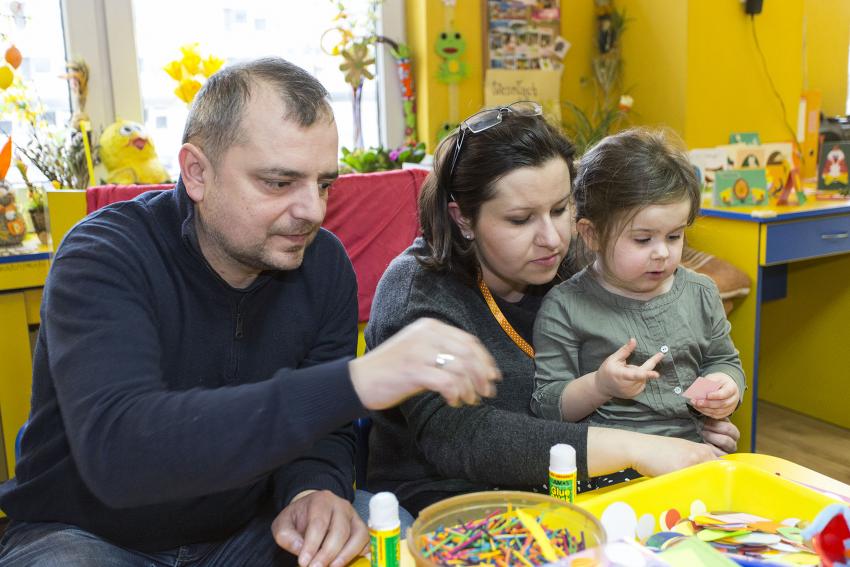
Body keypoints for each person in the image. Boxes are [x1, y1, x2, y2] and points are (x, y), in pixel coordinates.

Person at [0, 58, 501, 567]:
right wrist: (357, 382)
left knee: (389, 533)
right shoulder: (103, 256)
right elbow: (122, 452)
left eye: (324, 184)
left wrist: (313, 490)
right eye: (279, 183)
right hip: (84, 535)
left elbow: (321, 432)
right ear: (197, 172)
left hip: (246, 530)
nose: (313, 211)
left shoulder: (324, 265)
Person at [365, 102, 740, 516]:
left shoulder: (575, 263)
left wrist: (688, 424)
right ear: (464, 219)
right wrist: (638, 448)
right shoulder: (416, 293)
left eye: (560, 209)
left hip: (572, 491)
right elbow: (462, 437)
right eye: (520, 219)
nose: (552, 238)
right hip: (444, 506)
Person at [531, 128, 746, 443]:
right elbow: (547, 406)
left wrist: (723, 387)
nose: (662, 253)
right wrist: (600, 385)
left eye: (674, 236)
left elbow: (723, 360)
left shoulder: (701, 292)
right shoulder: (565, 307)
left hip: (693, 447)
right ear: (592, 235)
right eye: (643, 239)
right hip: (612, 459)